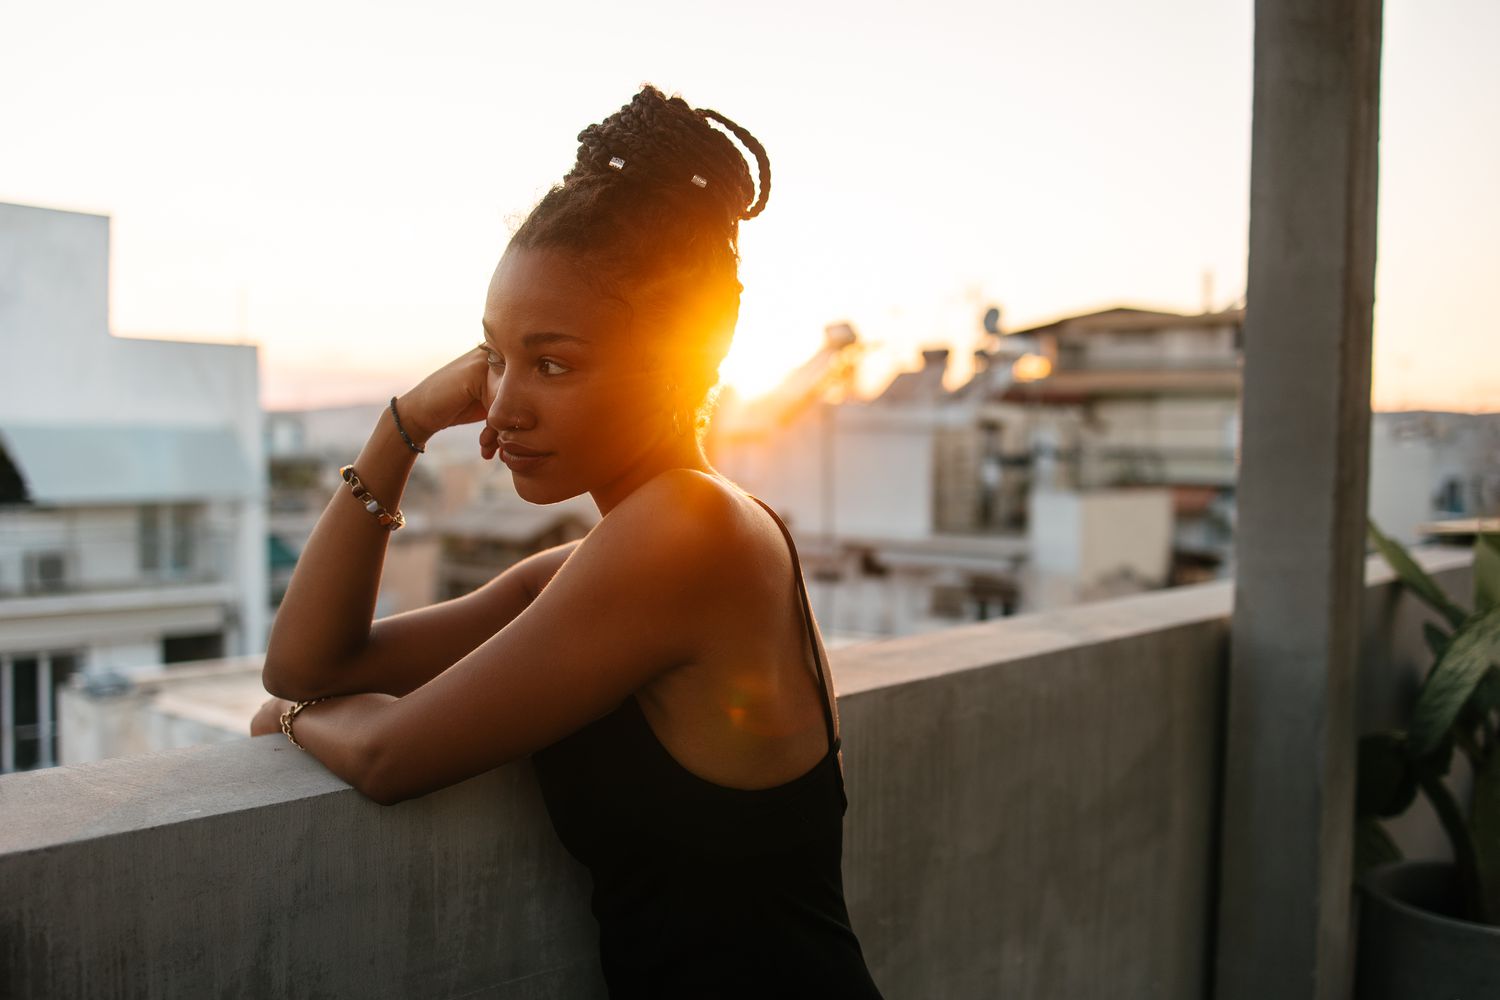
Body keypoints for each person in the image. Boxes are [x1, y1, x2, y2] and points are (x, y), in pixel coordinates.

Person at [252, 86, 884, 998]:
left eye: (553, 363)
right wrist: (403, 426)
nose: (504, 407)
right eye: (494, 358)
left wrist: (292, 724)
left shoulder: (689, 533)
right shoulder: (618, 551)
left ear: (678, 362)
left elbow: (383, 752)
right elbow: (314, 660)